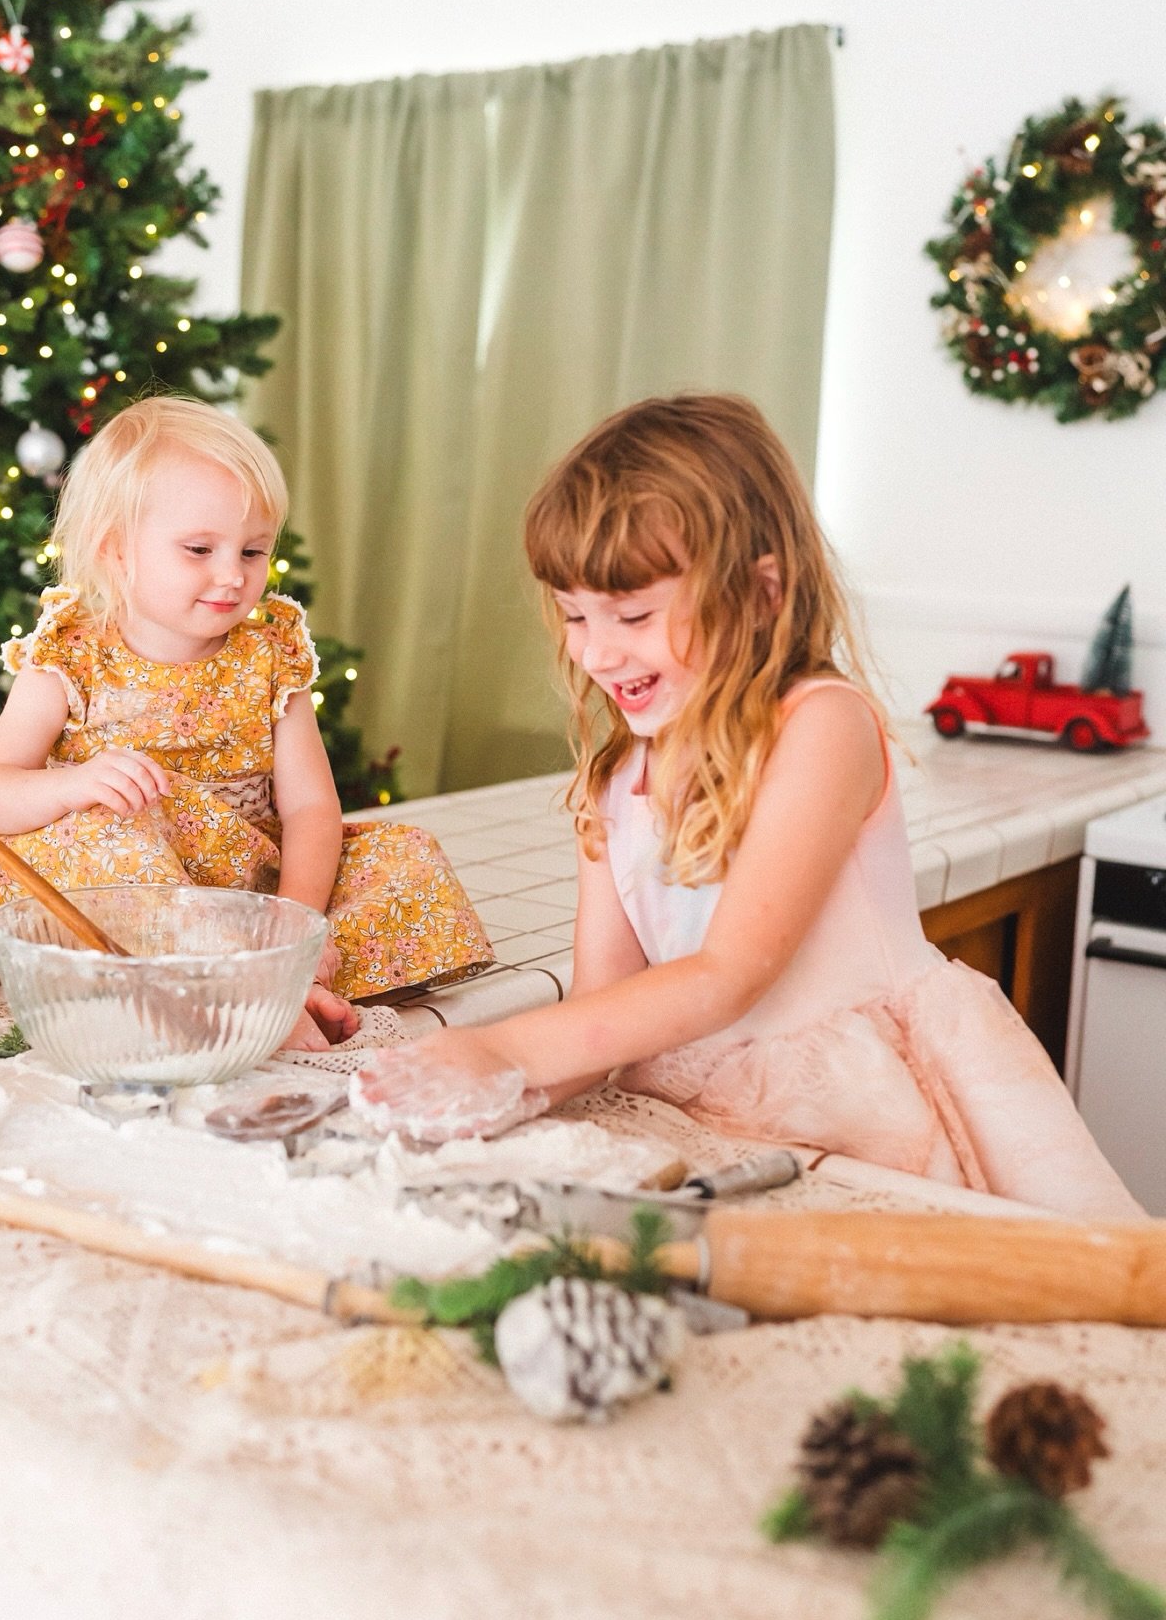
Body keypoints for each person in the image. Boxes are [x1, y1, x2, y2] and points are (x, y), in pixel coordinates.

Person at [353, 393, 1142, 1218]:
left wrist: (501, 1045)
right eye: (574, 613)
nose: (595, 649)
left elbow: (728, 975)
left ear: (763, 592)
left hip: (862, 1107)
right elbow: (599, 1013)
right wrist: (504, 1088)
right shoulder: (616, 779)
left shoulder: (820, 725)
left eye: (632, 613)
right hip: (711, 1114)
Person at [0, 395, 492, 1049]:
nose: (232, 576)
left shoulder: (269, 654)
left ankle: (266, 976)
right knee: (105, 833)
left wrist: (292, 922)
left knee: (406, 859)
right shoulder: (70, 652)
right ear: (115, 550)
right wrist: (75, 784)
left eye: (254, 551)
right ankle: (250, 995)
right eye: (200, 549)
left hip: (242, 889)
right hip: (120, 886)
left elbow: (312, 808)